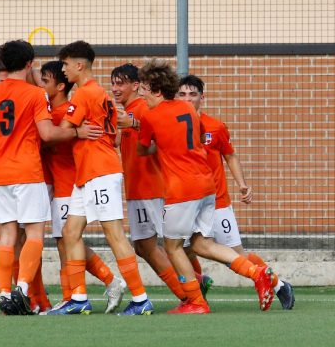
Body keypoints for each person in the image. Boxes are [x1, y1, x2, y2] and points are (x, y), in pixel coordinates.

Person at [0, 40, 101, 315]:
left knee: (7, 235)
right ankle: (22, 289)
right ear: (29, 65)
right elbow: (48, 134)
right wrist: (76, 132)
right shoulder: (36, 95)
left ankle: (4, 293)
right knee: (35, 232)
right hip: (27, 172)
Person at [136, 58, 274, 314]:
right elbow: (198, 139)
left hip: (181, 190)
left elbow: (143, 150)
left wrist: (139, 129)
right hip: (206, 186)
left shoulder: (150, 117)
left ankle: (196, 302)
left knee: (172, 247)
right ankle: (257, 273)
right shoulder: (188, 109)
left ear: (155, 90)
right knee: (201, 244)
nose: (140, 93)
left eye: (143, 88)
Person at [48, 41, 152, 316]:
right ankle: (79, 298)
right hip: (88, 174)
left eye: (66, 64)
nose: (64, 69)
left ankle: (141, 299)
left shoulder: (83, 94)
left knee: (114, 234)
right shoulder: (100, 94)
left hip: (100, 172)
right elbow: (115, 130)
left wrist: (74, 131)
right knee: (70, 232)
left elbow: (61, 130)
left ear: (79, 66)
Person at [177, 75, 295, 310]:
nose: (188, 99)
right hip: (187, 202)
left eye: (193, 94)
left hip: (217, 203)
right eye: (182, 94)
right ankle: (198, 285)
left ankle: (279, 284)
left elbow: (229, 155)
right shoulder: (173, 126)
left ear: (202, 97)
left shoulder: (216, 127)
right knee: (179, 247)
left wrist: (242, 184)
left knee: (235, 255)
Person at [39, 60, 126, 314]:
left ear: (60, 85)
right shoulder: (58, 110)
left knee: (68, 239)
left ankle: (103, 283)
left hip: (70, 183)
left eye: (46, 81)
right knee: (66, 238)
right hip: (63, 182)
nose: (41, 86)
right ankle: (77, 296)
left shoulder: (67, 111)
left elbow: (50, 139)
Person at [111, 63, 188, 303]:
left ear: (136, 86)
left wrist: (133, 124)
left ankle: (189, 291)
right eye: (113, 83)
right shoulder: (126, 111)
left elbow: (162, 134)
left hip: (152, 188)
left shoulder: (143, 108)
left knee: (176, 245)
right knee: (143, 246)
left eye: (120, 83)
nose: (115, 88)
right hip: (137, 189)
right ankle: (187, 289)